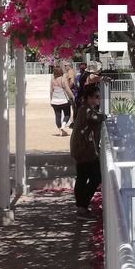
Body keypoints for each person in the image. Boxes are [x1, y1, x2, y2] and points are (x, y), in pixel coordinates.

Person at [69, 83, 104, 214]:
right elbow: (95, 118)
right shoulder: (86, 110)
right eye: (96, 97)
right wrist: (104, 117)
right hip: (84, 150)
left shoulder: (85, 109)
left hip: (83, 149)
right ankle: (82, 206)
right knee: (94, 177)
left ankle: (81, 206)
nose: (98, 99)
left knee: (83, 177)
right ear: (89, 98)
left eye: (99, 97)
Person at [49, 64, 73, 137]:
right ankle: (63, 125)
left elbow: (51, 91)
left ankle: (60, 131)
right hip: (63, 100)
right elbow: (67, 88)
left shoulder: (52, 79)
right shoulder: (63, 78)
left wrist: (51, 99)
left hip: (54, 101)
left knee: (57, 116)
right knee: (67, 114)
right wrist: (72, 96)